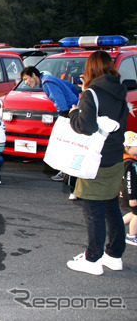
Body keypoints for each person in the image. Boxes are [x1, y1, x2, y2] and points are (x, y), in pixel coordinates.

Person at [66, 50, 128, 275]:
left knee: (93, 210)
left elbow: (86, 126)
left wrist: (74, 113)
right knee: (111, 208)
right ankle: (114, 255)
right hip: (115, 158)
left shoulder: (91, 93)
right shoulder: (120, 91)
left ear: (90, 69)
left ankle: (92, 259)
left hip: (95, 160)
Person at [21, 65, 81, 197]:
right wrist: (75, 104)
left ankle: (69, 178)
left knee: (66, 147)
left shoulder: (46, 82)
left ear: (33, 75)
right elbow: (72, 88)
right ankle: (66, 174)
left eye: (26, 79)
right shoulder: (50, 79)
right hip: (75, 112)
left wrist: (65, 115)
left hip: (68, 115)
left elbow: (58, 100)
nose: (26, 82)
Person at [121, 131, 137, 247]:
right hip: (131, 193)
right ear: (128, 147)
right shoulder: (129, 163)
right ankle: (132, 236)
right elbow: (130, 180)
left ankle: (117, 225)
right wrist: (132, 197)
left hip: (130, 193)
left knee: (133, 213)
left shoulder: (130, 161)